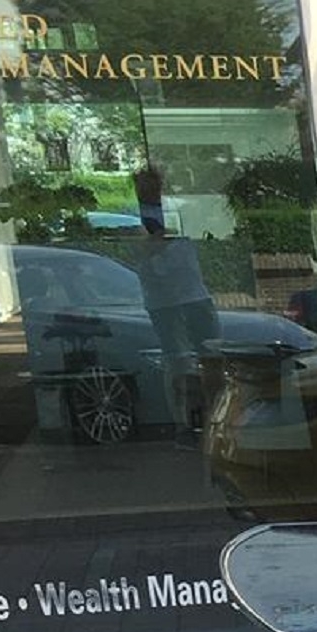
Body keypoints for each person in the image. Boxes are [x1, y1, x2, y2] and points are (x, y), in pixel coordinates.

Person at [130, 169, 219, 438]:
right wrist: (152, 247)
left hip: (194, 294)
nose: (153, 190)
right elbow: (143, 259)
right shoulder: (136, 218)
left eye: (155, 185)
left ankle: (214, 415)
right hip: (166, 302)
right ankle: (183, 422)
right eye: (147, 186)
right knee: (178, 361)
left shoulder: (176, 210)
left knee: (211, 356)